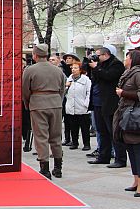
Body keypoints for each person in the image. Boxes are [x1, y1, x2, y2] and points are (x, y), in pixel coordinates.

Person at [113, 50, 140, 198]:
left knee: (138, 148)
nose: (125, 60)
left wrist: (123, 93)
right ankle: (136, 179)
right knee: (130, 147)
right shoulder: (130, 73)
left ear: (133, 59)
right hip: (127, 113)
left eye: (127, 57)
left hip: (137, 116)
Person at [22, 43, 65, 180]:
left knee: (41, 137)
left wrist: (28, 103)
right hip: (56, 103)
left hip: (38, 103)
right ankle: (58, 168)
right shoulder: (58, 70)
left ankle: (44, 168)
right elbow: (62, 90)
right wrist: (58, 101)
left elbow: (25, 90)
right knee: (56, 136)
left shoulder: (30, 70)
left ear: (35, 55)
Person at [88, 44, 127, 168]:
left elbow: (109, 76)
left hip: (110, 103)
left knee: (113, 131)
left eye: (98, 56)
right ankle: (103, 156)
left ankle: (120, 158)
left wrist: (97, 68)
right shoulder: (101, 65)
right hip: (98, 102)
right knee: (101, 130)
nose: (96, 58)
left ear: (106, 55)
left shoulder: (116, 65)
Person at [64, 61, 91, 151]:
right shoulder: (69, 79)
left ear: (80, 70)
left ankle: (86, 144)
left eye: (76, 68)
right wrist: (66, 86)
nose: (73, 70)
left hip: (82, 107)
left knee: (84, 127)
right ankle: (74, 142)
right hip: (71, 106)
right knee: (73, 127)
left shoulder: (86, 80)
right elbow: (64, 93)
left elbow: (89, 92)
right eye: (72, 68)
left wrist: (86, 104)